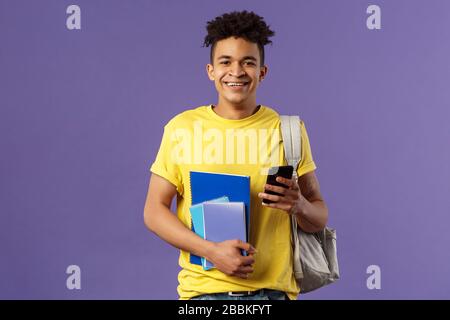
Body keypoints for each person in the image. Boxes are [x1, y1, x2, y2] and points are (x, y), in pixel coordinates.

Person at [143, 10, 328, 300]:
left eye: (248, 62)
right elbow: (153, 211)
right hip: (202, 295)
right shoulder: (182, 129)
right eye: (225, 62)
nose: (237, 71)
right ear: (211, 71)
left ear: (262, 72)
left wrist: (299, 205)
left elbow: (319, 217)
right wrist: (211, 251)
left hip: (273, 295)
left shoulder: (288, 130)